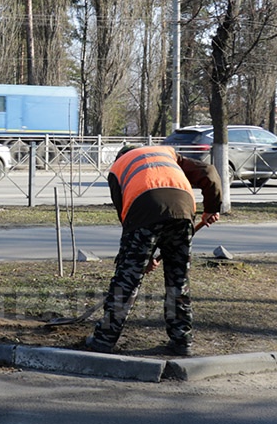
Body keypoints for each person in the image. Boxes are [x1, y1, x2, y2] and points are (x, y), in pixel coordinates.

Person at [85, 145, 222, 356]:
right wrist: (212, 207)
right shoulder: (167, 154)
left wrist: (139, 258)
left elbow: (128, 220)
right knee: (178, 280)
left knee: (127, 279)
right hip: (183, 212)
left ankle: (103, 339)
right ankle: (181, 340)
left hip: (143, 211)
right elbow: (209, 172)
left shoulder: (118, 168)